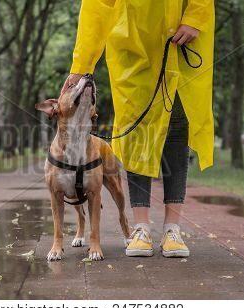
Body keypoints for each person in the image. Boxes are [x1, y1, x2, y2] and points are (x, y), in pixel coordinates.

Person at [62, 0, 215, 258]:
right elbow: (96, 8)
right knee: (137, 134)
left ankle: (172, 229)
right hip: (132, 46)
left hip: (181, 38)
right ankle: (141, 228)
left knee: (177, 131)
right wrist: (81, 66)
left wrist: (196, 16)